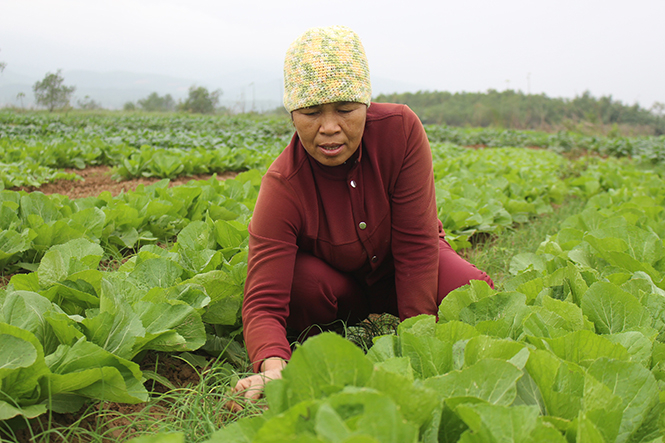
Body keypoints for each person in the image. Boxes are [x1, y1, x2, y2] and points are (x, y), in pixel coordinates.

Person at [232, 25, 493, 404]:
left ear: (366, 104)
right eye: (311, 112)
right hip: (342, 292)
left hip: (404, 268)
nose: (329, 127)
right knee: (300, 283)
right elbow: (262, 301)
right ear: (292, 115)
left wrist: (416, 344)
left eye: (345, 109)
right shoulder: (283, 184)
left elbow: (417, 247)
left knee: (468, 289)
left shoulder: (400, 131)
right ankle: (332, 338)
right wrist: (272, 366)